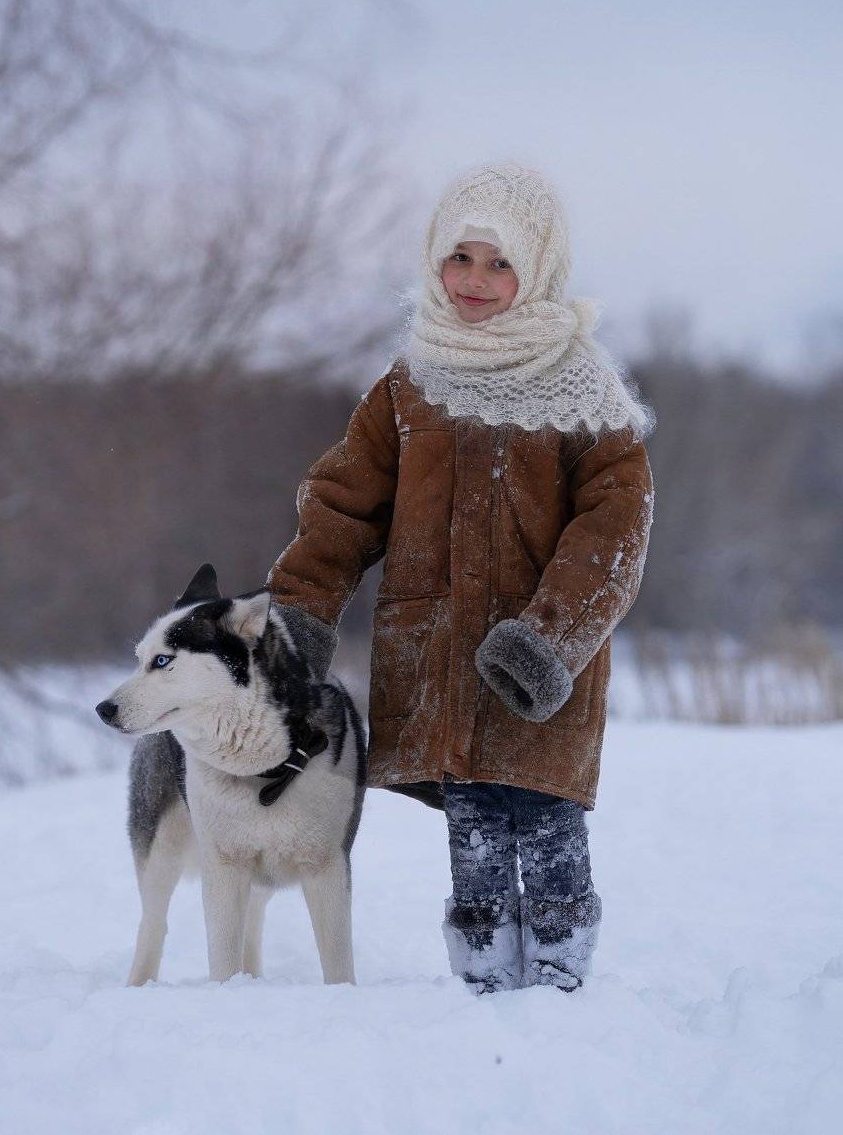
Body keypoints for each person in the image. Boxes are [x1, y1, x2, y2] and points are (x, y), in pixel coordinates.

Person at [266, 162, 656, 992]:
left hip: (538, 665)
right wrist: (300, 613)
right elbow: (343, 505)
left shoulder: (584, 391)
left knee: (544, 820)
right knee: (473, 824)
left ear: (539, 268)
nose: (476, 280)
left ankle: (558, 982)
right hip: (438, 657)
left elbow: (614, 530)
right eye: (461, 257)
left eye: (501, 262)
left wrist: (551, 637)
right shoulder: (409, 386)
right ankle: (481, 983)